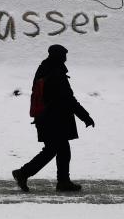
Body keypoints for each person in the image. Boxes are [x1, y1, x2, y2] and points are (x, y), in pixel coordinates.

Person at [12, 44, 95, 192]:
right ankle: (23, 173)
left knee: (62, 149)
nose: (66, 58)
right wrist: (85, 117)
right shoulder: (56, 73)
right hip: (53, 119)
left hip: (47, 117)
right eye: (64, 55)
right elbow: (68, 99)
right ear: (58, 56)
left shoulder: (45, 68)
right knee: (52, 150)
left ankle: (63, 181)